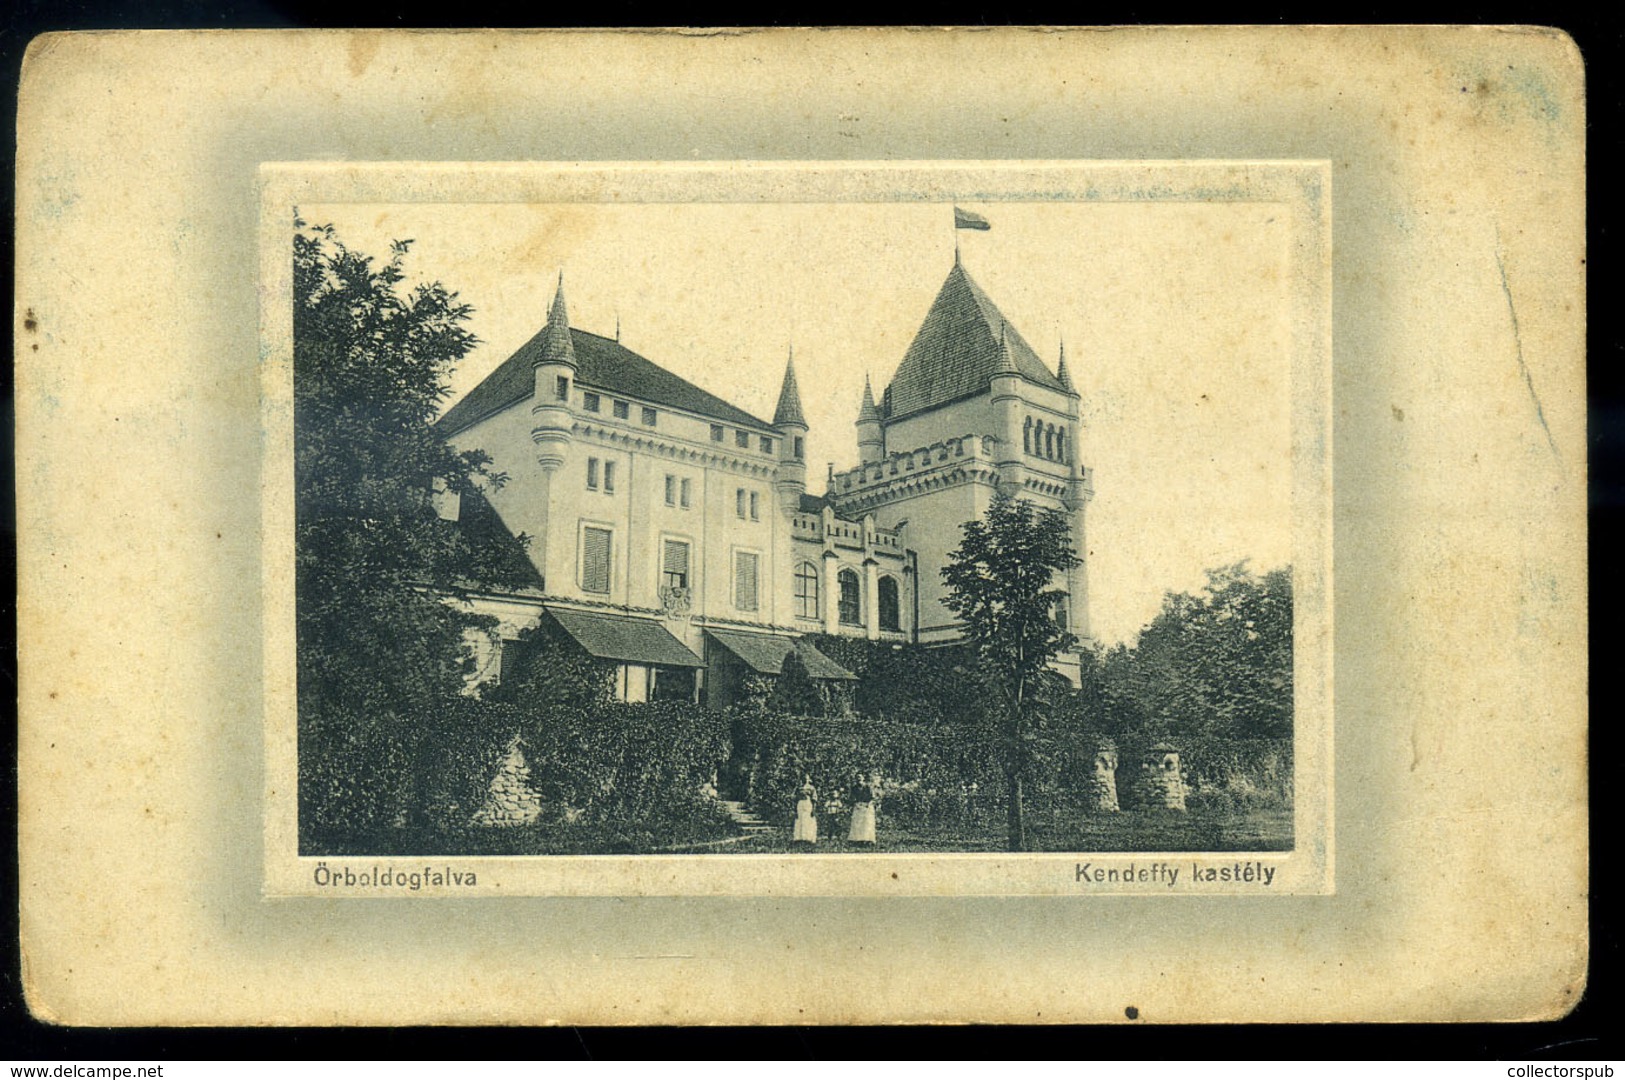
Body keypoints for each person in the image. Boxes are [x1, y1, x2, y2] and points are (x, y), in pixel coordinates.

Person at [847, 772, 877, 845]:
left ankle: (868, 839)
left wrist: (868, 804)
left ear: (863, 778)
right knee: (857, 823)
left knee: (867, 823)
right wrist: (854, 803)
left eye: (860, 777)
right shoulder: (854, 788)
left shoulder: (868, 787)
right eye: (857, 777)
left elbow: (872, 797)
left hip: (867, 806)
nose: (859, 779)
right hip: (858, 806)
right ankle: (857, 839)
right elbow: (851, 797)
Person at [792, 776, 818, 845]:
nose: (804, 780)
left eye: (806, 779)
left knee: (808, 820)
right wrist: (794, 809)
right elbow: (795, 798)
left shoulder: (811, 788)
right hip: (800, 804)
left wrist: (813, 809)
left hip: (808, 804)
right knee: (800, 819)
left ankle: (808, 838)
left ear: (808, 780)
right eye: (803, 779)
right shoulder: (798, 788)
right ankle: (799, 838)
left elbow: (814, 799)